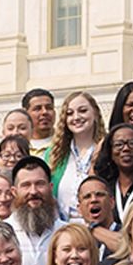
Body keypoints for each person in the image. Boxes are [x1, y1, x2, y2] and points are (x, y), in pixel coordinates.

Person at [50, 90, 107, 219]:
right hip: (64, 230)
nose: (76, 117)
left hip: (99, 229)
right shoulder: (54, 154)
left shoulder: (106, 150)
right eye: (70, 113)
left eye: (82, 111)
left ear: (95, 113)